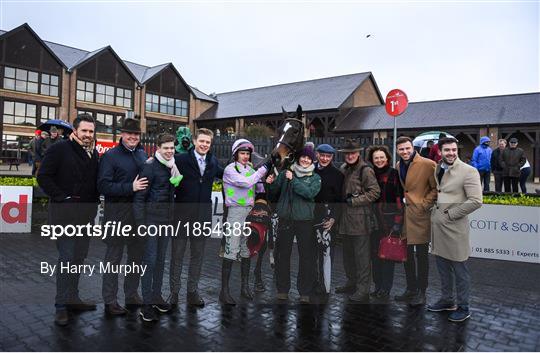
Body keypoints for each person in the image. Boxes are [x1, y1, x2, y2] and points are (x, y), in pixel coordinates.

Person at [37, 113, 100, 326]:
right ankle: (61, 305)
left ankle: (73, 298)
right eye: (84, 131)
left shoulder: (94, 153)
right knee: (66, 259)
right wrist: (62, 197)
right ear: (75, 131)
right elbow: (43, 177)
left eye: (91, 131)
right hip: (64, 217)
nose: (88, 135)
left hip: (85, 218)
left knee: (79, 259)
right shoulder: (59, 149)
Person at [428, 137, 482, 322]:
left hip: (455, 228)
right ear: (440, 151)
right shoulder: (438, 167)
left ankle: (464, 306)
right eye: (447, 150)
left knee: (460, 271)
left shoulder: (469, 171)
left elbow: (476, 201)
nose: (451, 153)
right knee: (442, 268)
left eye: (453, 150)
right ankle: (447, 300)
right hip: (438, 228)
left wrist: (450, 215)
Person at [98, 118, 148, 315]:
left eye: (136, 134)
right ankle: (110, 301)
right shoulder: (111, 156)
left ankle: (131, 294)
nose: (133, 137)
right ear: (122, 134)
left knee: (136, 259)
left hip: (138, 218)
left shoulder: (143, 154)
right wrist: (131, 187)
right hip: (116, 217)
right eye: (129, 133)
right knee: (113, 260)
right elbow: (103, 186)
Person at [168, 128, 223, 308]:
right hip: (182, 217)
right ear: (194, 140)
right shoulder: (181, 159)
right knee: (177, 256)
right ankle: (174, 293)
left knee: (197, 256)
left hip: (202, 217)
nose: (204, 145)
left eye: (208, 142)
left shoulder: (213, 161)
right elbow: (165, 167)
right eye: (202, 141)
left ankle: (192, 292)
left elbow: (228, 175)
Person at [266, 145, 321, 303]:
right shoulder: (285, 174)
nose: (305, 160)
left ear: (312, 160)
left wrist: (294, 180)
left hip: (305, 221)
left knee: (306, 257)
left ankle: (304, 291)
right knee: (282, 255)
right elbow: (274, 193)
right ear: (298, 158)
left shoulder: (315, 178)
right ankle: (282, 289)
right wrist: (269, 184)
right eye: (303, 157)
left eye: (308, 158)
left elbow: (309, 193)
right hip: (286, 220)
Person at [133, 133, 179, 322]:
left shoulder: (173, 167)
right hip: (150, 222)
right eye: (166, 147)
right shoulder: (150, 167)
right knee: (149, 262)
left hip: (166, 222)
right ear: (158, 148)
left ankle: (157, 297)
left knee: (160, 261)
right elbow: (139, 198)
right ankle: (146, 305)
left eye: (172, 147)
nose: (169, 151)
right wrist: (141, 226)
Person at [219, 139, 270, 305]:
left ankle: (244, 287)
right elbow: (246, 182)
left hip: (250, 212)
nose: (246, 156)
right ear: (236, 154)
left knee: (246, 249)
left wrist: (267, 181)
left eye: (248, 154)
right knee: (231, 251)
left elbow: (259, 187)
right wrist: (263, 170)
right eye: (242, 153)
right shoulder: (229, 169)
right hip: (235, 213)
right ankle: (224, 291)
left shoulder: (250, 169)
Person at [335, 139, 381, 302]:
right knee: (348, 255)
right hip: (345, 220)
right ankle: (351, 282)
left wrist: (354, 201)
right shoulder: (343, 168)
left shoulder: (365, 170)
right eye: (347, 153)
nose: (350, 156)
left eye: (353, 153)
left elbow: (375, 193)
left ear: (358, 153)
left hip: (361, 220)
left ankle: (363, 290)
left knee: (362, 257)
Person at [395, 136, 437, 307]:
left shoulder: (428, 164)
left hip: (421, 216)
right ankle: (410, 288)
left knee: (421, 256)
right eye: (401, 149)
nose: (404, 152)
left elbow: (436, 188)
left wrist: (423, 205)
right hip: (406, 217)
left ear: (413, 148)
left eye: (407, 148)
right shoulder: (398, 166)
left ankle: (422, 291)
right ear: (397, 151)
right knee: (407, 256)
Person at [366, 145, 403, 302]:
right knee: (375, 257)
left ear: (387, 158)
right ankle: (377, 286)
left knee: (387, 257)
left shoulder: (394, 174)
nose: (379, 160)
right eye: (376, 158)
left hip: (389, 222)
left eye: (382, 157)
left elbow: (399, 199)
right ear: (372, 160)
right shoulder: (370, 174)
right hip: (372, 222)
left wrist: (397, 223)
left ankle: (385, 289)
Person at [313, 143, 344, 299]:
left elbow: (340, 200)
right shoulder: (309, 170)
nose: (325, 158)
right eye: (322, 155)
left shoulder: (337, 175)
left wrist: (333, 219)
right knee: (311, 252)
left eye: (328, 156)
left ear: (332, 157)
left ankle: (324, 285)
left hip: (327, 217)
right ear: (317, 154)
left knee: (326, 253)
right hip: (310, 217)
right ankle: (313, 282)